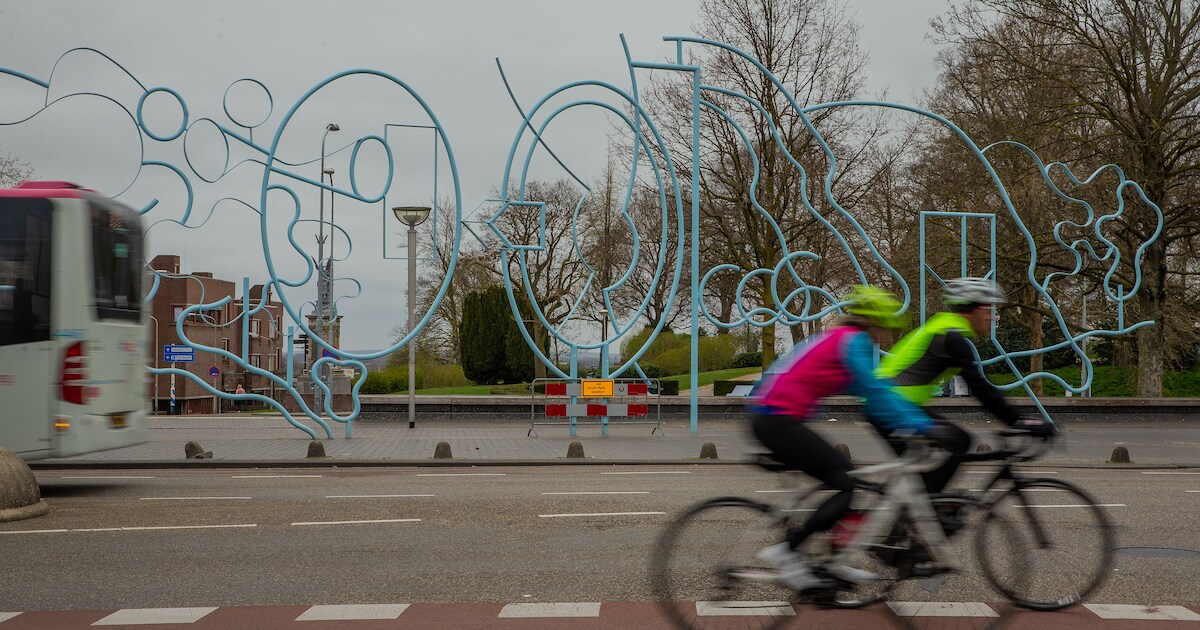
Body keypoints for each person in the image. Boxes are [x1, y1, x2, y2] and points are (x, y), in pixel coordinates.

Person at [748, 285, 938, 591]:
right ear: (874, 323)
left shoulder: (841, 340)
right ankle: (788, 550)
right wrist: (925, 427)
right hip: (776, 419)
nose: (888, 337)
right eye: (887, 329)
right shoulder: (854, 342)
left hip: (774, 416)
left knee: (848, 476)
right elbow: (876, 393)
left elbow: (876, 390)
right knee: (845, 482)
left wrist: (914, 420)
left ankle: (835, 561)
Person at [877, 277, 1056, 496]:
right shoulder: (950, 338)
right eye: (988, 310)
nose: (992, 316)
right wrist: (1020, 421)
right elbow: (981, 389)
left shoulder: (944, 330)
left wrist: (1015, 420)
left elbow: (980, 388)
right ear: (973, 310)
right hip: (892, 405)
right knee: (959, 440)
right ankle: (927, 508)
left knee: (928, 467)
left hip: (892, 403)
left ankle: (918, 510)